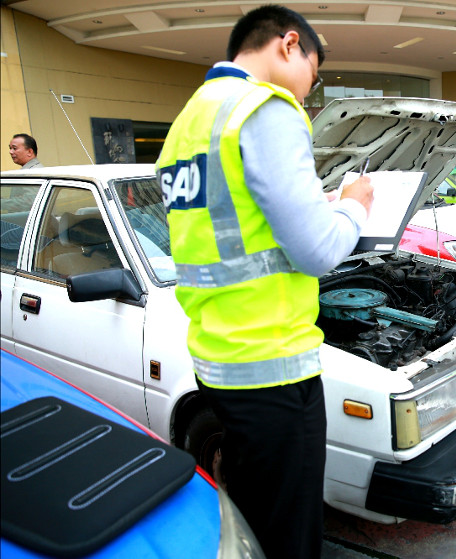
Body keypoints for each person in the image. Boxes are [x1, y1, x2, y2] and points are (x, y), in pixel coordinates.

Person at [155, 6, 373, 558]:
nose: (309, 89)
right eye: (314, 73)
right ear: (289, 44)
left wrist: (315, 206)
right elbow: (320, 251)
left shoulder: (190, 120)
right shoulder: (267, 108)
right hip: (276, 367)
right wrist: (352, 207)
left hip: (219, 358)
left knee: (253, 519)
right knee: (290, 538)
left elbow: (232, 225)